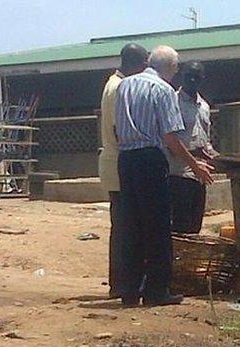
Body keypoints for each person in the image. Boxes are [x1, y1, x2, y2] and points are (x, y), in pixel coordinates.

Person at [114, 45, 214, 307]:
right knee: (157, 227)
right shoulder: (163, 90)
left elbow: (116, 127)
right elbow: (171, 137)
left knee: (131, 226)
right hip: (150, 158)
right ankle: (157, 291)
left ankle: (129, 290)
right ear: (171, 68)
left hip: (125, 159)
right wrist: (195, 165)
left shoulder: (125, 85)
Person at [98, 43, 148, 299]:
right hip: (119, 161)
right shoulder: (120, 88)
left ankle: (120, 281)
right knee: (126, 227)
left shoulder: (112, 84)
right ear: (137, 63)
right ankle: (122, 283)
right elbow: (121, 130)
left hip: (112, 161)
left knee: (121, 226)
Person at [168, 61, 218, 234]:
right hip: (178, 176)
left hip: (199, 178)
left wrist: (215, 157)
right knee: (179, 230)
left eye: (196, 77)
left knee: (194, 229)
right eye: (188, 75)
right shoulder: (171, 101)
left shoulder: (204, 106)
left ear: (202, 79)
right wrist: (193, 156)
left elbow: (206, 141)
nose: (192, 80)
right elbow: (168, 141)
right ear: (181, 75)